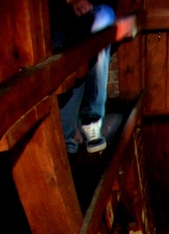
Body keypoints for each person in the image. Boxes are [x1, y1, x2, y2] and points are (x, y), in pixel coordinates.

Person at [52, 1, 116, 154]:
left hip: (92, 14)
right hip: (56, 18)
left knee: (103, 20)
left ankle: (90, 119)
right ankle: (67, 141)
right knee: (65, 56)